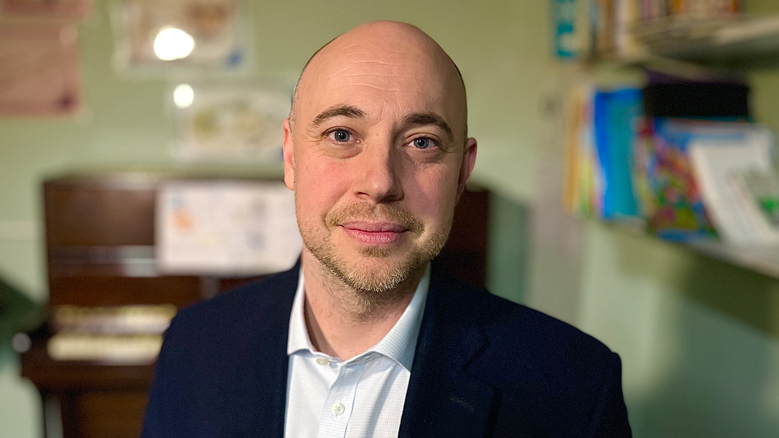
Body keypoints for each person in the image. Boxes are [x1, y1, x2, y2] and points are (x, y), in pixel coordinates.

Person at [142, 21, 632, 438]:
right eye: (341, 135)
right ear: (291, 155)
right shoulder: (193, 346)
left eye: (421, 142)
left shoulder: (574, 388)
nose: (379, 182)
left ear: (462, 173)